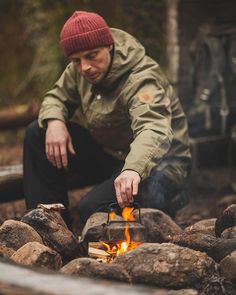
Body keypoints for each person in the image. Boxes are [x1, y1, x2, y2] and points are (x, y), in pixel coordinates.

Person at [23, 11, 191, 226]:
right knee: (37, 132)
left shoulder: (141, 78)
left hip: (157, 166)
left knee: (93, 209)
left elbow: (153, 129)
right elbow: (57, 97)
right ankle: (48, 226)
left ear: (109, 46)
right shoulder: (79, 70)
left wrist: (133, 169)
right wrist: (55, 121)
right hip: (113, 156)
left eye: (92, 55)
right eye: (76, 60)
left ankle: (164, 205)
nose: (85, 67)